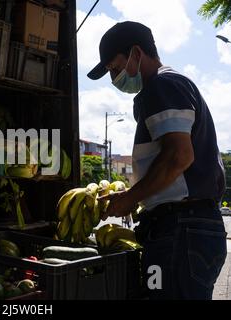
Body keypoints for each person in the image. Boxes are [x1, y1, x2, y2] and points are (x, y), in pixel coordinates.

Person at [87, 21, 227, 300]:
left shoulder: (162, 85)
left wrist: (130, 198)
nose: (115, 79)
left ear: (137, 54)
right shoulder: (169, 85)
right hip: (183, 229)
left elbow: (179, 155)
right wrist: (135, 195)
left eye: (115, 69)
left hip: (181, 231)